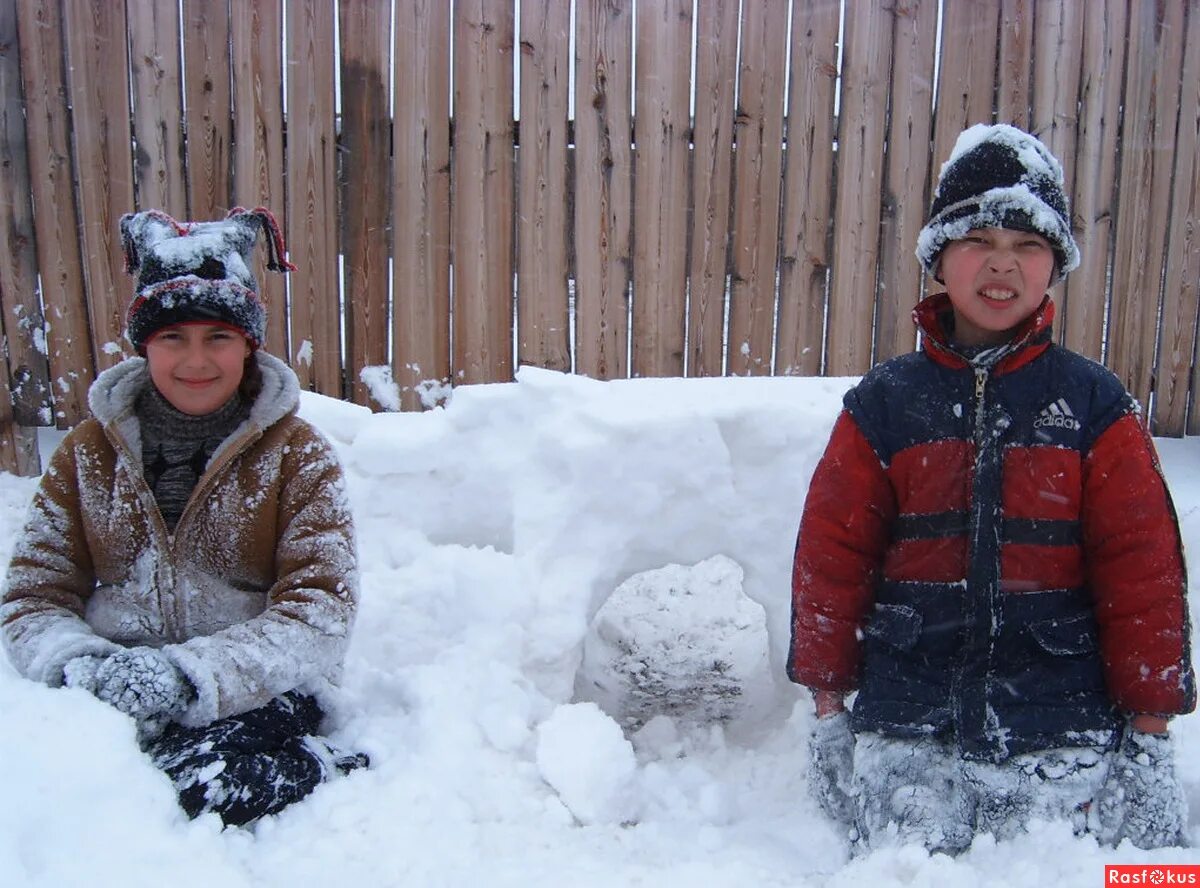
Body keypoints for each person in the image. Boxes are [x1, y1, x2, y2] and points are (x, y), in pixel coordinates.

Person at [788, 124, 1194, 853]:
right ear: (940, 258)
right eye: (980, 241)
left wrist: (1151, 723)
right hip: (910, 723)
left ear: (1054, 266)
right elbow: (834, 555)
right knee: (902, 870)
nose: (1002, 266)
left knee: (1126, 875)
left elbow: (1142, 569)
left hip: (1060, 727)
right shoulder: (886, 404)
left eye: (1028, 246)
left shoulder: (1094, 405)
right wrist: (827, 701)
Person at [0, 207, 366, 827]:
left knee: (172, 794)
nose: (196, 360)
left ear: (248, 343)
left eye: (218, 336)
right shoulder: (88, 454)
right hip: (117, 693)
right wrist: (80, 665)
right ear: (144, 345)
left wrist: (188, 676)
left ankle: (318, 761)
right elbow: (33, 596)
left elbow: (321, 611)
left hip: (258, 691)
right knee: (76, 789)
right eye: (173, 337)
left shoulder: (298, 456)